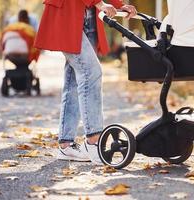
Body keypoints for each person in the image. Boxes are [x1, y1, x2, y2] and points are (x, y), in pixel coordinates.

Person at [34, 0, 137, 164]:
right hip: (67, 12)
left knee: (74, 79)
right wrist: (100, 4)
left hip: (89, 15)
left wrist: (118, 5)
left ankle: (66, 145)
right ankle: (94, 141)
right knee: (91, 71)